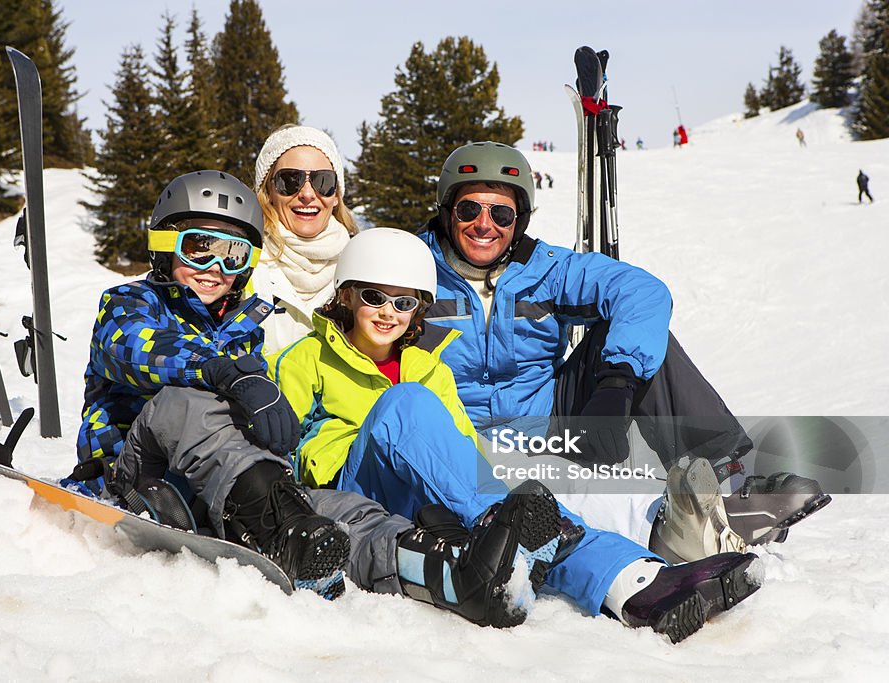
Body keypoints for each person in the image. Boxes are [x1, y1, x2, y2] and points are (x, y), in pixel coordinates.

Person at [76, 169, 571, 628]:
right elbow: (137, 350)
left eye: (234, 255)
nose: (214, 268)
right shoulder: (130, 305)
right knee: (187, 399)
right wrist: (227, 374)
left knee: (348, 513)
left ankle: (448, 572)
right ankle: (283, 525)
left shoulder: (242, 329)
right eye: (197, 248)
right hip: (139, 468)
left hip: (236, 486)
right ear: (164, 248)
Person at [272, 227, 763, 643]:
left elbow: (466, 463)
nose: (388, 312)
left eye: (403, 302)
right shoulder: (306, 358)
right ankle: (517, 529)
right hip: (350, 494)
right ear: (346, 295)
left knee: (522, 506)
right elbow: (278, 448)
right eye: (373, 297)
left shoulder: (429, 369)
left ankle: (637, 582)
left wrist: (501, 503)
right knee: (406, 408)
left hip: (417, 501)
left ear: (418, 309)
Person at [415, 141, 831, 562]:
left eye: (500, 213)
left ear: (519, 219)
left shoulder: (544, 268)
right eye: (470, 210)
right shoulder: (414, 269)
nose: (484, 224)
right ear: (448, 210)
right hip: (456, 442)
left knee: (645, 344)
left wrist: (616, 385)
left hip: (546, 428)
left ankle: (726, 484)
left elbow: (642, 291)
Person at [251, 125, 358, 353]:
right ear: (268, 191)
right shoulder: (243, 266)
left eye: (323, 182)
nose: (308, 194)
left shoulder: (361, 265)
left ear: (336, 195)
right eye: (290, 180)